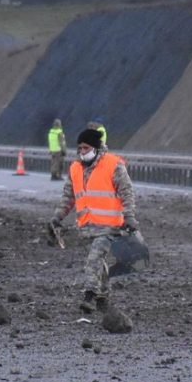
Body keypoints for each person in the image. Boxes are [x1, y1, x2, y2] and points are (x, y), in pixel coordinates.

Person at [49, 127, 138, 313]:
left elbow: (127, 192)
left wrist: (129, 216)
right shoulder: (75, 168)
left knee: (94, 258)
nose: (82, 152)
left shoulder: (113, 165)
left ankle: (89, 296)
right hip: (88, 226)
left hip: (110, 226)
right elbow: (68, 197)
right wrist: (57, 217)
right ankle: (103, 297)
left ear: (96, 148)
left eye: (86, 148)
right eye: (80, 148)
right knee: (99, 262)